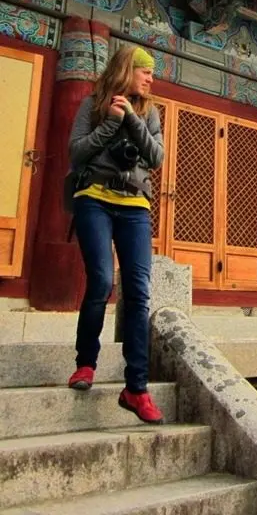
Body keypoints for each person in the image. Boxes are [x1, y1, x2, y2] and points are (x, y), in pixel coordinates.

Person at [66, 45, 164, 424]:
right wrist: (110, 122)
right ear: (127, 70)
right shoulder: (92, 105)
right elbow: (76, 153)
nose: (150, 78)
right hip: (94, 197)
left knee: (139, 292)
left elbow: (156, 157)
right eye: (145, 71)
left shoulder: (150, 112)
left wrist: (133, 122)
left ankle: (136, 388)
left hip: (135, 205)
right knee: (102, 281)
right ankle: (85, 364)